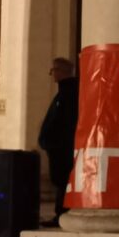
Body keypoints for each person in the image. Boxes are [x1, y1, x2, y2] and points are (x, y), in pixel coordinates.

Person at [38, 57, 79, 227]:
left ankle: (61, 215)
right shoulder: (65, 92)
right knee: (61, 182)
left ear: (60, 72)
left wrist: (52, 143)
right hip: (59, 148)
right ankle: (60, 214)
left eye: (53, 71)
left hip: (63, 149)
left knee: (63, 182)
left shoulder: (68, 93)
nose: (52, 74)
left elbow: (64, 122)